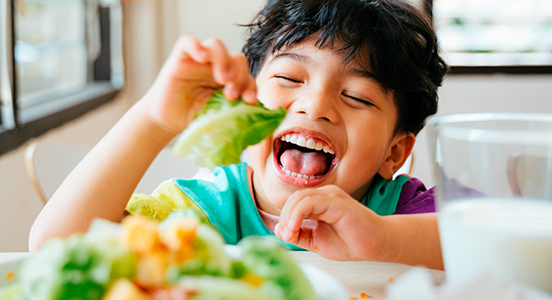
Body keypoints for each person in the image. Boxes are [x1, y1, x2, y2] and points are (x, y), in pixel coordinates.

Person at [30, 0, 448, 270]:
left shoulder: (403, 210)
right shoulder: (201, 213)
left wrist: (381, 239)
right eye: (288, 77)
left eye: (356, 97)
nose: (315, 106)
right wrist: (154, 121)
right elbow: (56, 248)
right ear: (246, 98)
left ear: (395, 152)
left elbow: (496, 241)